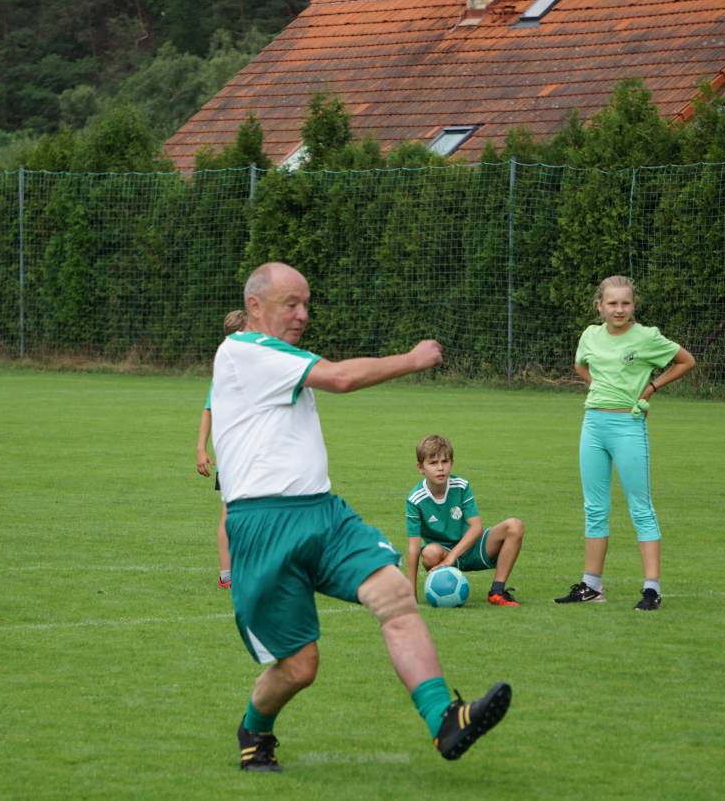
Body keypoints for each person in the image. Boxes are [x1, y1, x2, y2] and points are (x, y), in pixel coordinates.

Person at [212, 262, 510, 772]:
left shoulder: (277, 355)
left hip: (323, 512)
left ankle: (445, 720)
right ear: (254, 306)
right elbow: (342, 377)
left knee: (394, 593)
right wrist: (413, 359)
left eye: (306, 304)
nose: (303, 314)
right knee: (300, 666)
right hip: (264, 523)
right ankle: (254, 728)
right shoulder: (244, 351)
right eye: (291, 304)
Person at [554, 275, 695, 611]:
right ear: (599, 306)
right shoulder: (590, 335)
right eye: (612, 303)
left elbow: (686, 361)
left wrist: (650, 389)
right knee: (594, 508)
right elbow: (580, 364)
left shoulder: (647, 337)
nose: (619, 309)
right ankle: (591, 586)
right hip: (593, 425)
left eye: (625, 303)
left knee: (640, 508)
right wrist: (598, 386)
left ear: (634, 305)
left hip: (628, 426)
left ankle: (651, 589)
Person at [405, 435, 525, 607]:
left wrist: (453, 556)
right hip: (442, 553)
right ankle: (445, 585)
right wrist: (410, 596)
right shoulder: (415, 499)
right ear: (420, 467)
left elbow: (476, 528)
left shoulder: (461, 486)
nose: (440, 468)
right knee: (429, 553)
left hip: (472, 546)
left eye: (445, 461)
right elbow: (413, 548)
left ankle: (497, 592)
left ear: (452, 462)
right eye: (433, 463)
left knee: (515, 525)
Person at [196, 308, 247, 589]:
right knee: (233, 512)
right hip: (237, 453)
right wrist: (200, 449)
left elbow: (208, 409)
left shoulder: (228, 366)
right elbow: (209, 408)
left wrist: (201, 449)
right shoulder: (229, 371)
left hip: (244, 451)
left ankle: (234, 573)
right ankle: (228, 575)